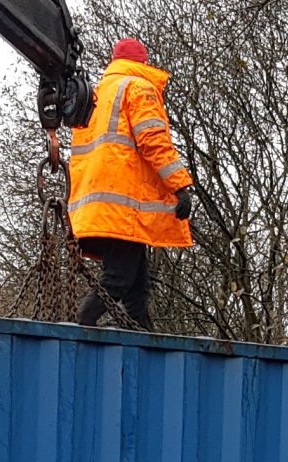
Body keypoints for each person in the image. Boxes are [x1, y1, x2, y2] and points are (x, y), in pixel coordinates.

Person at [67, 36, 195, 331]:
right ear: (142, 63)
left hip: (97, 201)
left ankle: (145, 337)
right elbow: (153, 140)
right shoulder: (138, 87)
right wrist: (179, 186)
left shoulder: (97, 94)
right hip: (124, 200)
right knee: (119, 278)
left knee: (136, 286)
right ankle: (82, 326)